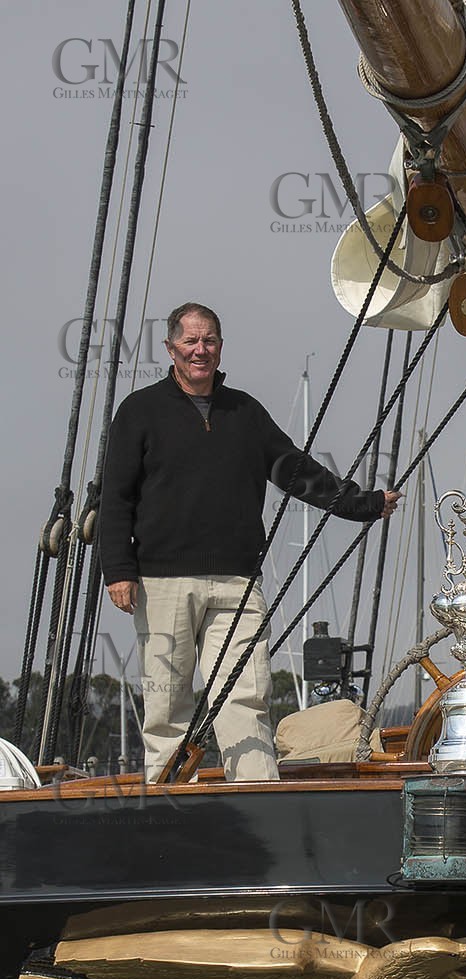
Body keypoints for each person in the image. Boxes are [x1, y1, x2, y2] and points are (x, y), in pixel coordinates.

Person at [98, 302, 399, 782]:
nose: (201, 350)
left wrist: (361, 504)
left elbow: (295, 471)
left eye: (210, 341)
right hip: (159, 581)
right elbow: (114, 497)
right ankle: (170, 811)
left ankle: (257, 799)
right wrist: (117, 570)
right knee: (166, 703)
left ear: (220, 346)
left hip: (237, 580)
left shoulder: (245, 412)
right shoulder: (140, 411)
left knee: (245, 696)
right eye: (191, 342)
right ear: (171, 348)